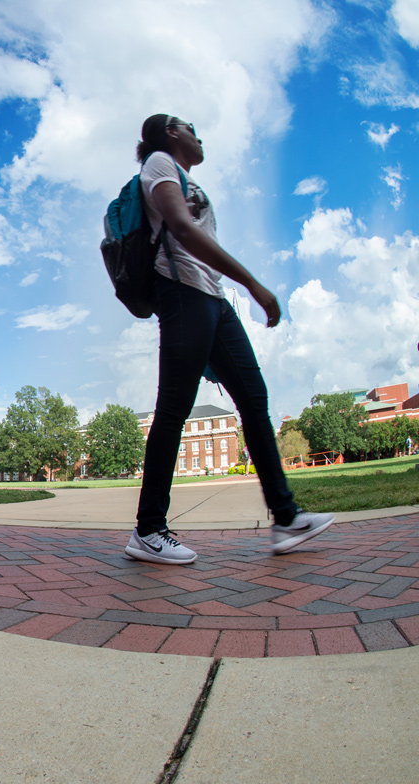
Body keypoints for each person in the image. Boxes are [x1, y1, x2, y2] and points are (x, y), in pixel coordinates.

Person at [124, 114, 333, 565]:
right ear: (171, 134)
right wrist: (253, 283)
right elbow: (180, 226)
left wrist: (231, 288)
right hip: (183, 295)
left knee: (254, 399)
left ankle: (286, 516)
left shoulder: (180, 172)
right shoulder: (160, 163)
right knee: (174, 408)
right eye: (189, 125)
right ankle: (148, 530)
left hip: (212, 299)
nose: (198, 133)